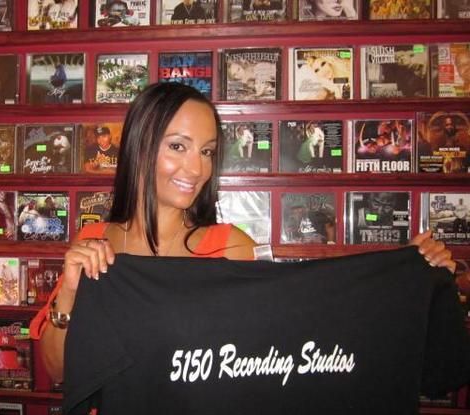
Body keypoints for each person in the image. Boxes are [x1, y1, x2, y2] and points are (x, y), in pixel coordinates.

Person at [30, 82, 455, 390]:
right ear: (140, 145)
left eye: (207, 151)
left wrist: (404, 273)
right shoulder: (94, 239)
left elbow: (302, 329)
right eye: (178, 146)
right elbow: (58, 371)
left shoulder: (229, 246)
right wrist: (69, 293)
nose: (197, 169)